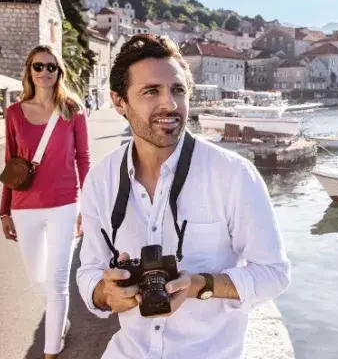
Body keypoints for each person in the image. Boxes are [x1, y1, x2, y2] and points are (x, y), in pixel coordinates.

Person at [77, 34, 290, 359]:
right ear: (119, 102)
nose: (170, 104)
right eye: (151, 91)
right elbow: (89, 268)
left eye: (177, 90)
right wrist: (104, 293)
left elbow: (274, 273)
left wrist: (201, 285)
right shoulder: (101, 181)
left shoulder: (233, 174)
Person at [0, 45, 91, 359]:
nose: (44, 73)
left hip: (65, 204)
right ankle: (58, 318)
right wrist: (3, 211)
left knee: (57, 280)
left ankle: (52, 349)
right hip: (24, 207)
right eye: (38, 67)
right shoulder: (13, 112)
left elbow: (84, 158)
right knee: (37, 277)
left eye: (51, 67)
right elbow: (11, 163)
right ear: (29, 70)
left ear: (59, 72)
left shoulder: (72, 108)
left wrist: (86, 207)